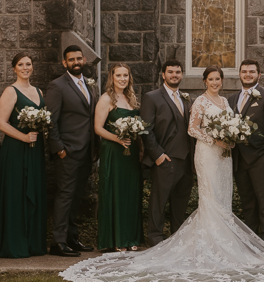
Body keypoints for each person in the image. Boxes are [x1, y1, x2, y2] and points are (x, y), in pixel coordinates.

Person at [59, 65, 264, 282]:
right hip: (206, 154)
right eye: (210, 79)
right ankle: (202, 243)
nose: (214, 82)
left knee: (225, 198)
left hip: (227, 157)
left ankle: (232, 244)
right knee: (208, 197)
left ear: (223, 82)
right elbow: (192, 128)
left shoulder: (227, 101)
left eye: (218, 79)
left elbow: (249, 127)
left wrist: (232, 140)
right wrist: (214, 139)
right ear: (204, 81)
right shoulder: (198, 101)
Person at [0, 53, 48, 258]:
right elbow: (1, 123)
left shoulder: (38, 91)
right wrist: (23, 137)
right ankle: (14, 244)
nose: (25, 67)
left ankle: (33, 244)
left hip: (35, 148)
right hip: (16, 148)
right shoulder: (10, 91)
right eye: (21, 64)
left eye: (28, 64)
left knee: (35, 193)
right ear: (14, 68)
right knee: (16, 193)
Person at [46, 45, 98, 257]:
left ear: (84, 59)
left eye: (79, 58)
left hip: (87, 151)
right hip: (67, 151)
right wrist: (59, 149)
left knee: (77, 196)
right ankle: (58, 241)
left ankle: (72, 237)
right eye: (71, 60)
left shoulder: (90, 85)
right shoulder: (57, 86)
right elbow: (51, 121)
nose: (76, 62)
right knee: (65, 196)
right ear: (64, 62)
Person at [141, 59, 194, 246]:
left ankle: (177, 238)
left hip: (186, 160)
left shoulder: (185, 98)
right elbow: (146, 129)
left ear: (182, 74)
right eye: (170, 72)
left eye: (178, 72)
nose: (174, 75)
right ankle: (155, 237)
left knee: (180, 203)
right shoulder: (152, 97)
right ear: (163, 75)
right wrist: (157, 155)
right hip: (165, 159)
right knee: (159, 202)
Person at [227, 59, 264, 245]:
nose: (247, 74)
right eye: (244, 71)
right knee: (248, 204)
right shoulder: (232, 99)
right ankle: (251, 242)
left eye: (252, 72)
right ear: (240, 74)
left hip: (260, 159)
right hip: (239, 159)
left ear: (259, 75)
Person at [95, 63, 143, 252]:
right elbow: (98, 128)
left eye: (125, 75)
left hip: (130, 154)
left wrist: (140, 149)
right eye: (119, 75)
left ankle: (131, 237)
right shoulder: (106, 99)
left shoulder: (131, 99)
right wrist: (117, 138)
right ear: (112, 77)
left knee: (130, 193)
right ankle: (115, 239)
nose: (122, 79)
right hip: (114, 152)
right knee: (115, 192)